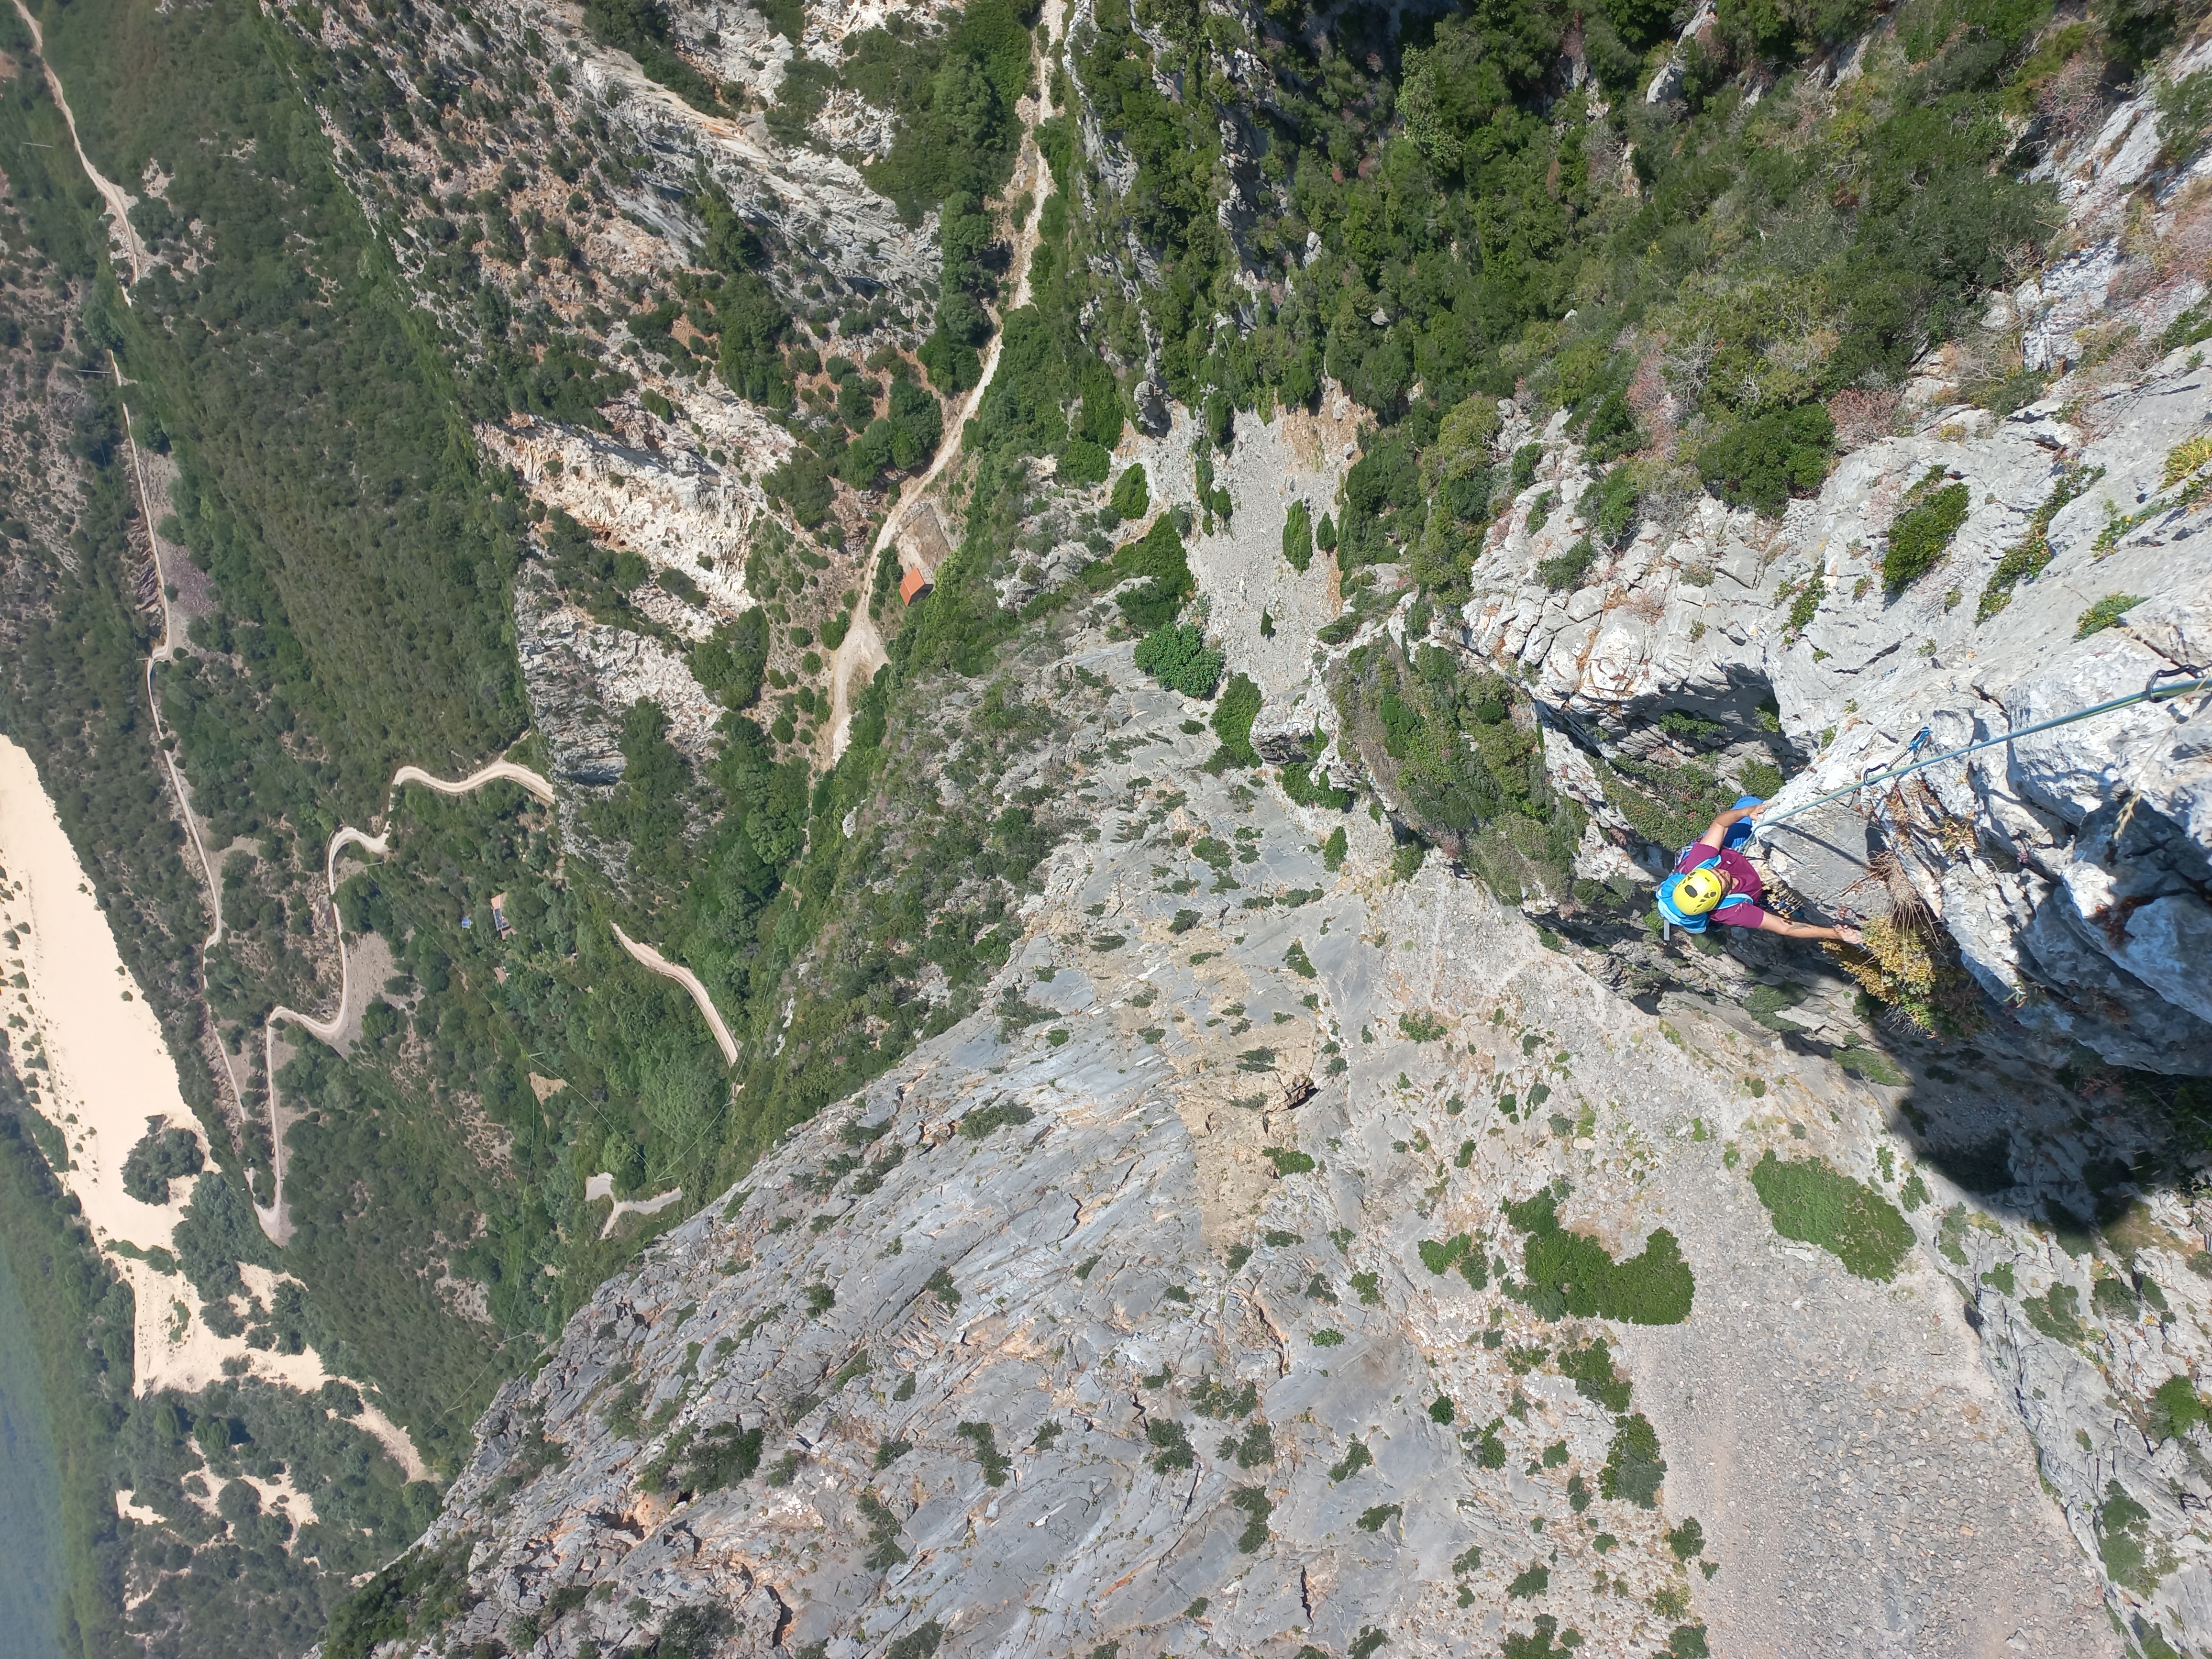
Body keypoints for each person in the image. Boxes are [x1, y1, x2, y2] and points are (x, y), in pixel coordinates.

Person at [1655, 797, 1865, 945]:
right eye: (1721, 882)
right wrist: (1835, 934)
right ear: (1719, 898)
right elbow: (1785, 927)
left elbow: (1720, 823)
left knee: (1750, 803)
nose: (1721, 873)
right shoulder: (1731, 911)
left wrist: (1746, 813)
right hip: (1752, 885)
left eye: (1714, 873)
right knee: (1793, 907)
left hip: (1730, 850)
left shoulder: (1700, 863)